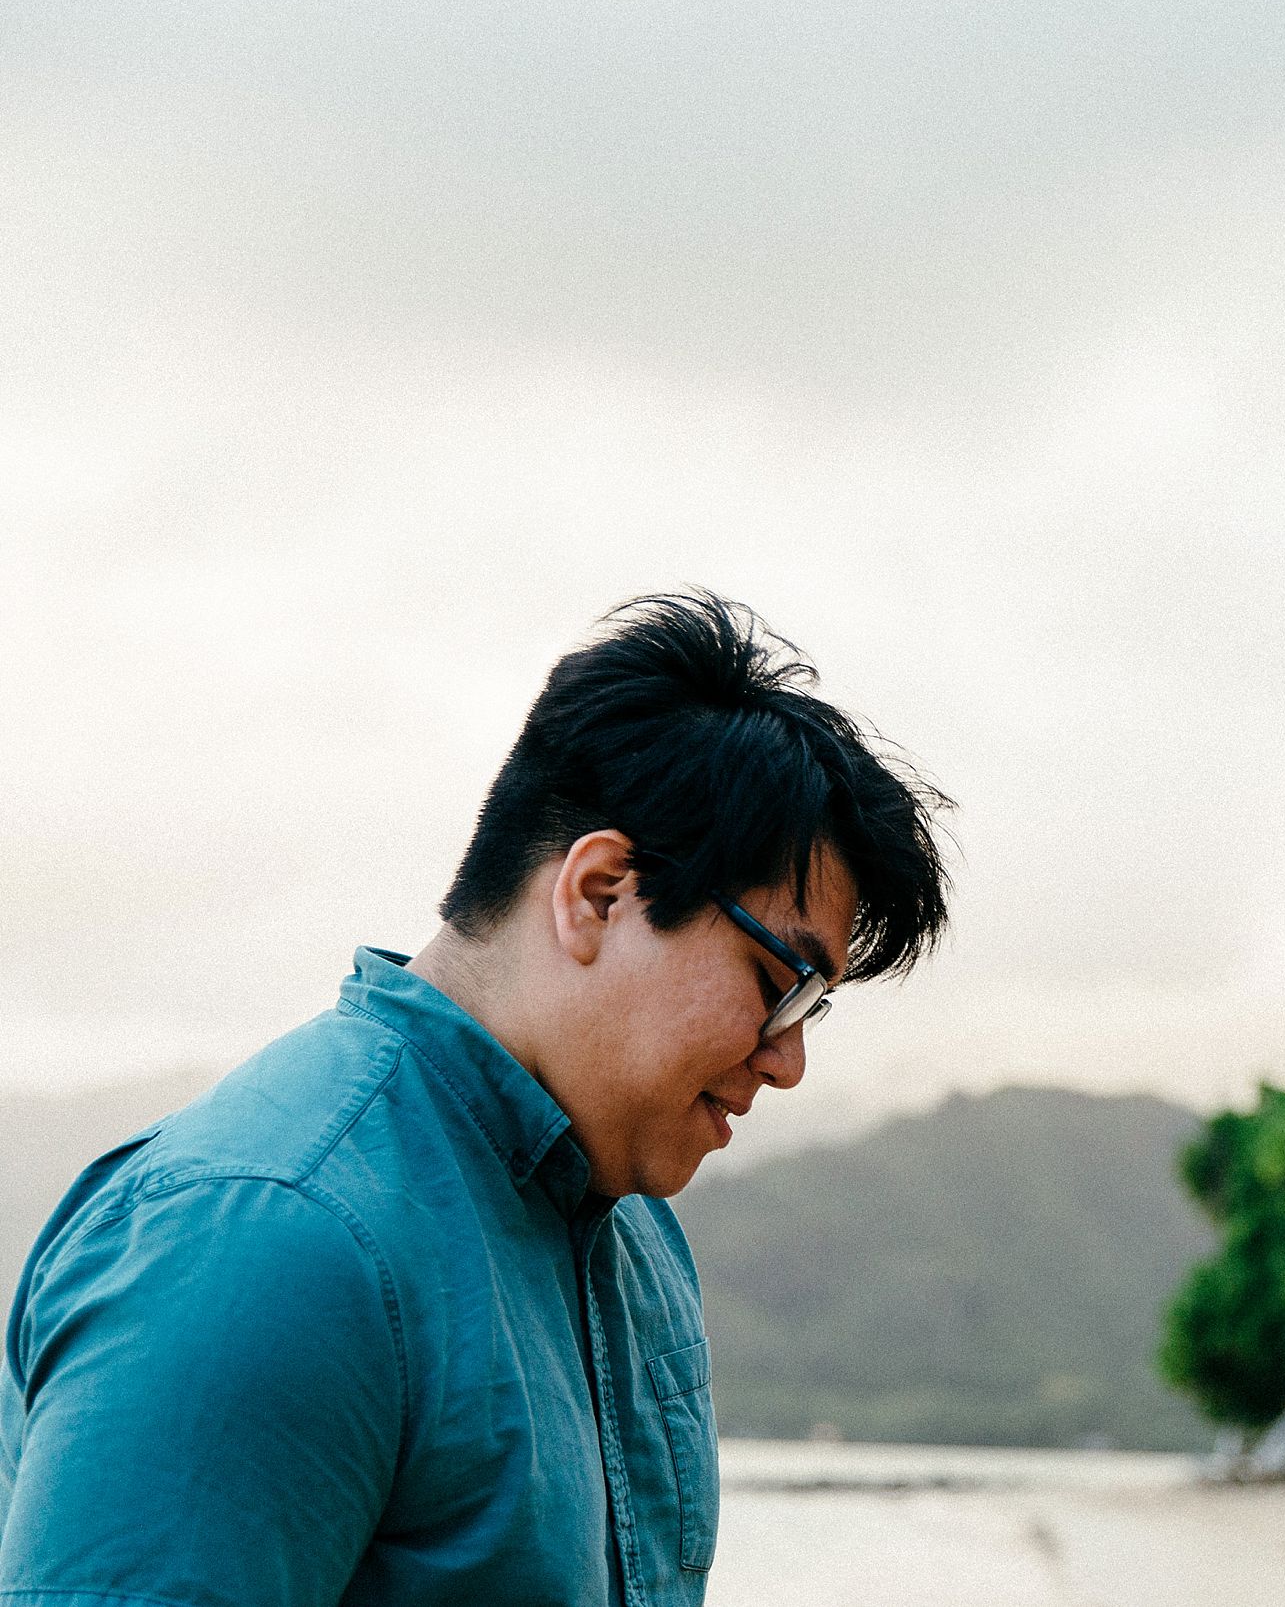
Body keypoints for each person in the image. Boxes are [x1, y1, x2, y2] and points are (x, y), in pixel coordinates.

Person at [0, 590, 949, 1605]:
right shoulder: (273, 1240)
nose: (788, 1060)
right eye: (781, 985)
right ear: (598, 892)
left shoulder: (634, 1238)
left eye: (816, 1009)